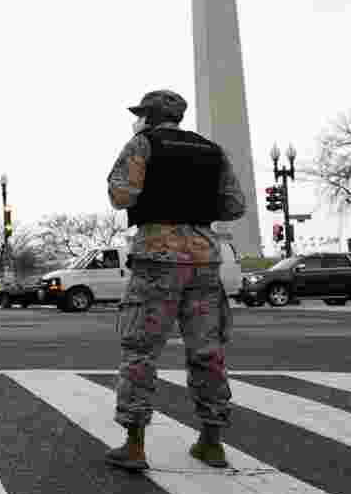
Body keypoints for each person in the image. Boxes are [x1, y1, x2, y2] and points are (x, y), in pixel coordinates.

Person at [104, 89, 246, 471]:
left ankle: (134, 446)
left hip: (157, 257)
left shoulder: (143, 144)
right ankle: (211, 442)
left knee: (140, 350)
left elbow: (122, 195)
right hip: (203, 258)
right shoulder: (213, 151)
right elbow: (235, 205)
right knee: (206, 351)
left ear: (149, 116)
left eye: (140, 115)